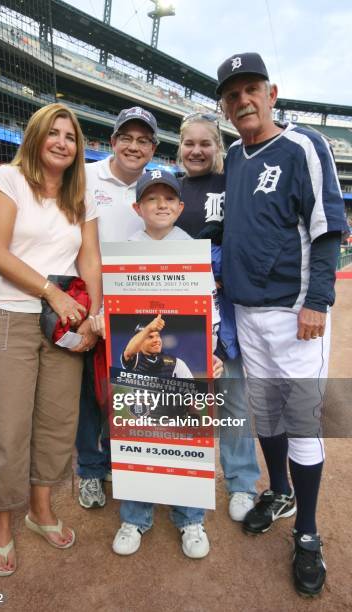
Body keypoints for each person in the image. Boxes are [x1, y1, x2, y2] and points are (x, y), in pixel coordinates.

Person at [216, 52, 348, 596]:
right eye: (232, 94)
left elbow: (326, 229)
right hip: (246, 312)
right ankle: (279, 491)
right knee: (265, 416)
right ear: (225, 107)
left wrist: (318, 300)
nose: (242, 100)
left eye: (251, 89)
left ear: (272, 92)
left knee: (301, 423)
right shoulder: (232, 153)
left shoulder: (304, 145)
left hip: (296, 315)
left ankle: (310, 533)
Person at [0, 103, 102, 576]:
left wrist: (96, 309)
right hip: (9, 316)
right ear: (36, 137)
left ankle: (40, 511)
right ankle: (2, 527)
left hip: (65, 324)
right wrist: (52, 292)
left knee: (56, 421)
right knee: (7, 428)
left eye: (70, 137)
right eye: (53, 133)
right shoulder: (7, 179)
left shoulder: (80, 194)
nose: (62, 143)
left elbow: (89, 257)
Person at [112, 170, 223, 559]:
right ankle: (135, 515)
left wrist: (210, 350)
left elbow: (210, 306)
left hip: (177, 381)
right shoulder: (124, 249)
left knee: (190, 436)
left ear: (180, 206)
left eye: (168, 199)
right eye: (151, 198)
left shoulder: (192, 248)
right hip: (139, 388)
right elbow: (121, 326)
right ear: (137, 206)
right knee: (136, 439)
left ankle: (190, 517)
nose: (160, 205)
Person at [176, 113, 260, 522]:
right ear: (179, 147)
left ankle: (242, 482)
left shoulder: (235, 182)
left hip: (226, 308)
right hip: (180, 309)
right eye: (189, 144)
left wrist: (217, 267)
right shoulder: (169, 189)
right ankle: (179, 478)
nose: (196, 151)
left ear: (218, 146)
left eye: (205, 144)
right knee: (182, 397)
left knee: (231, 398)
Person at [75, 107, 158, 509]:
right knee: (90, 397)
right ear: (111, 142)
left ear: (153, 149)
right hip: (92, 305)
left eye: (143, 140)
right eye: (127, 137)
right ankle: (90, 470)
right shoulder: (87, 176)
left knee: (127, 392)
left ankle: (119, 462)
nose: (134, 146)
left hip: (136, 310)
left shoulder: (155, 188)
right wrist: (90, 307)